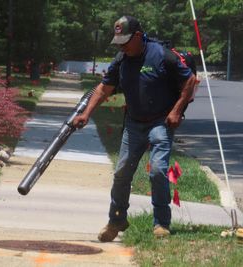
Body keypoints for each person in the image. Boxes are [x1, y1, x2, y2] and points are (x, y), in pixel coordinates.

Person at [73, 15, 196, 241]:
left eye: (125, 41)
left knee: (158, 170)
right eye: (118, 41)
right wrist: (86, 114)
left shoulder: (161, 56)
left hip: (160, 121)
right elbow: (103, 89)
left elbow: (190, 81)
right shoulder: (121, 59)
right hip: (133, 123)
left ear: (138, 36)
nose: (121, 46)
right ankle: (117, 219)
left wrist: (177, 110)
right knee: (122, 172)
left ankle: (161, 223)